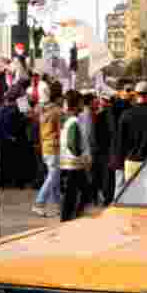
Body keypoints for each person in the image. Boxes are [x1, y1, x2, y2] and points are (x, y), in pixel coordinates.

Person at [33, 82, 64, 217]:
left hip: (45, 146)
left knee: (54, 177)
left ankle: (59, 206)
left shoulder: (42, 109)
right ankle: (39, 203)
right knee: (52, 177)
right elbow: (60, 131)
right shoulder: (57, 111)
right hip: (54, 146)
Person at [60, 90, 91, 221]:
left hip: (71, 165)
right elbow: (73, 144)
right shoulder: (74, 122)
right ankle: (72, 217)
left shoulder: (70, 120)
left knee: (73, 195)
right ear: (77, 103)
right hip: (74, 165)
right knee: (78, 194)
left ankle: (71, 216)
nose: (83, 105)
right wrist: (82, 157)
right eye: (81, 102)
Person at [93, 92, 117, 204]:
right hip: (107, 149)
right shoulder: (112, 113)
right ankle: (107, 196)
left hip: (104, 149)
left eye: (103, 100)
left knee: (105, 174)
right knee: (107, 174)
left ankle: (106, 197)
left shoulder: (102, 115)